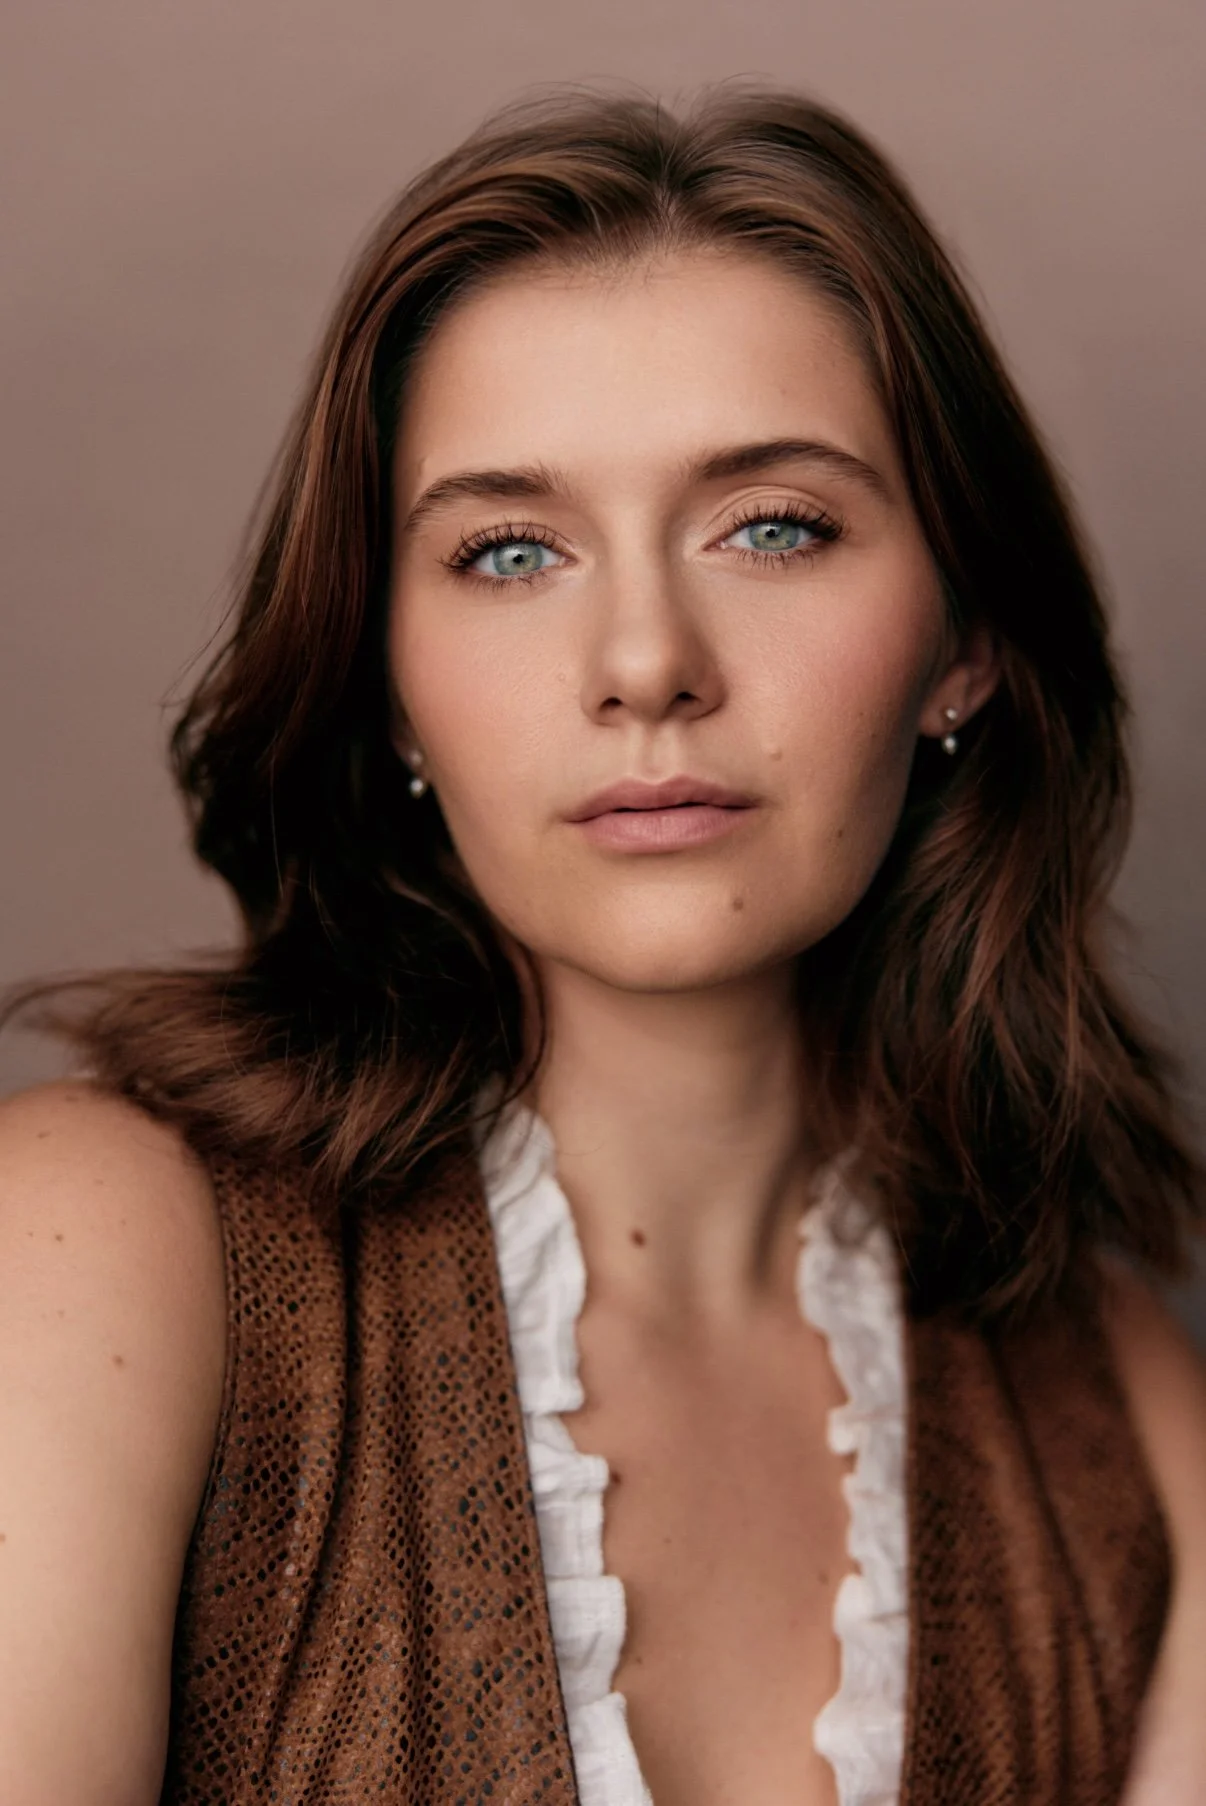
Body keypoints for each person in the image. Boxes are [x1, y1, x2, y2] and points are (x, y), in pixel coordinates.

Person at [1, 83, 1204, 1806]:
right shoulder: (94, 1252)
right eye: (507, 552)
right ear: (387, 684)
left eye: (771, 525)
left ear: (965, 643)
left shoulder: (1122, 1422)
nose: (643, 657)